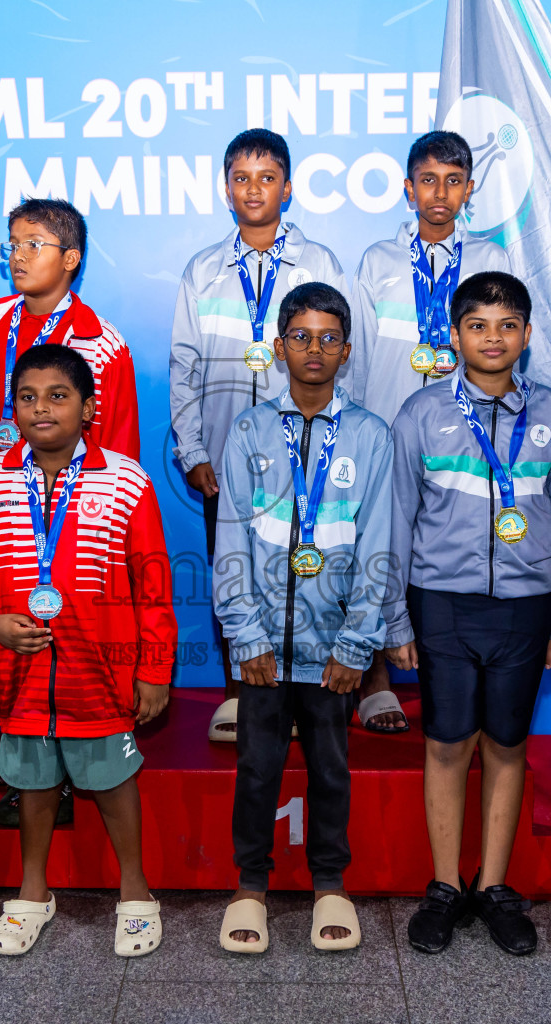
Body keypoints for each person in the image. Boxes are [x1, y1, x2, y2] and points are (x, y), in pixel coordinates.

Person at [383, 271, 551, 957]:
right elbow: (396, 522)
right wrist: (394, 619)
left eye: (507, 325)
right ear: (455, 334)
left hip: (525, 608)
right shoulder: (421, 413)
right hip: (440, 603)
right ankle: (445, 886)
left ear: (527, 335)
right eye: (478, 324)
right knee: (445, 742)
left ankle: (494, 887)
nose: (493, 337)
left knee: (506, 743)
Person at [0, 343, 175, 958]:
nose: (40, 409)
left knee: (111, 779)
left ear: (88, 408)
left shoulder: (126, 480)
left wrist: (154, 670)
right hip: (20, 676)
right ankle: (33, 892)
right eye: (26, 397)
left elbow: (153, 585)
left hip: (102, 675)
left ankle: (135, 891)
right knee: (32, 784)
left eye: (57, 396)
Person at [213, 282, 392, 954]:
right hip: (263, 647)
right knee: (257, 767)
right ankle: (250, 887)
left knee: (330, 767)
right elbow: (230, 536)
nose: (314, 349)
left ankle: (329, 883)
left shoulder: (370, 437)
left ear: (346, 351)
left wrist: (358, 643)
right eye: (301, 336)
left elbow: (379, 544)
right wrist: (245, 632)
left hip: (334, 650)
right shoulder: (251, 430)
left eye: (328, 338)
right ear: (280, 345)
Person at [169, 127, 353, 742]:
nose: (254, 189)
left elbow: (338, 352)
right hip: (227, 457)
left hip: (308, 452)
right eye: (242, 178)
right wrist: (193, 450)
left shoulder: (320, 263)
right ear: (226, 189)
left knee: (309, 567)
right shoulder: (203, 270)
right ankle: (240, 693)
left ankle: (307, 694)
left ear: (288, 188)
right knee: (235, 570)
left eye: (267, 177)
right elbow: (184, 364)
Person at [345, 130, 518, 735]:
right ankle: (375, 681)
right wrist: (356, 427)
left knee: (449, 550)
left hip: (466, 435)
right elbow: (359, 354)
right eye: (427, 180)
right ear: (407, 188)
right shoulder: (378, 262)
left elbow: (508, 349)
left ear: (470, 188)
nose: (438, 194)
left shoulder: (493, 257)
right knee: (377, 548)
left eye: (452, 181)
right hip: (390, 428)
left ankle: (455, 672)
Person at [0, 196, 141, 478]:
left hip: (73, 508)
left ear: (70, 258)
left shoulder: (100, 343)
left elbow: (119, 446)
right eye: (13, 245)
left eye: (34, 245)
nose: (18, 256)